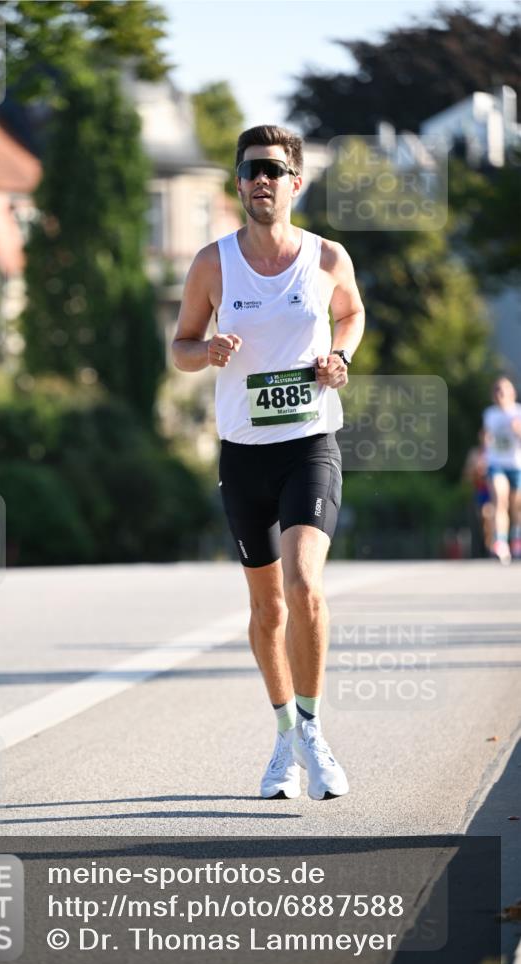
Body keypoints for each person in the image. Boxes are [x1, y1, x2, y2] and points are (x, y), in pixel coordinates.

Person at [172, 125, 365, 800]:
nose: (261, 179)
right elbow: (180, 346)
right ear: (237, 182)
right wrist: (206, 354)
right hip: (243, 455)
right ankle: (285, 737)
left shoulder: (326, 257)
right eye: (250, 168)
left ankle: (312, 732)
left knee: (303, 584)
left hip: (309, 445)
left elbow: (352, 313)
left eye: (273, 170)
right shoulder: (212, 264)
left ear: (294, 183)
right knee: (265, 611)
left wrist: (340, 357)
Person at [482, 376, 521, 565]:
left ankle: (516, 539)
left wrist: (518, 430)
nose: (500, 393)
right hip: (496, 464)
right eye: (497, 390)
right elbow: (486, 437)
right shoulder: (489, 414)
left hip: (516, 465)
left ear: (512, 392)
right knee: (500, 499)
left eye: (504, 389)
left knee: (516, 508)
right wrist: (485, 441)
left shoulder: (519, 412)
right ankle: (501, 542)